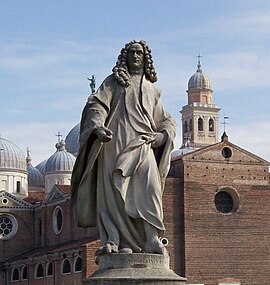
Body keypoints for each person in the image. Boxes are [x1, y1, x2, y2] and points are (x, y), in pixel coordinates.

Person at [71, 40, 176, 256]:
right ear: (125, 57)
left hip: (142, 143)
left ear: (146, 58)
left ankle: (152, 239)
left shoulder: (152, 90)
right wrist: (97, 127)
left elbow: (166, 120)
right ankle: (118, 241)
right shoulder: (113, 82)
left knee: (150, 188)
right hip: (114, 142)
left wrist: (163, 134)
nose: (136, 56)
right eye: (132, 53)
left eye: (139, 53)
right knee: (116, 194)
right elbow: (96, 105)